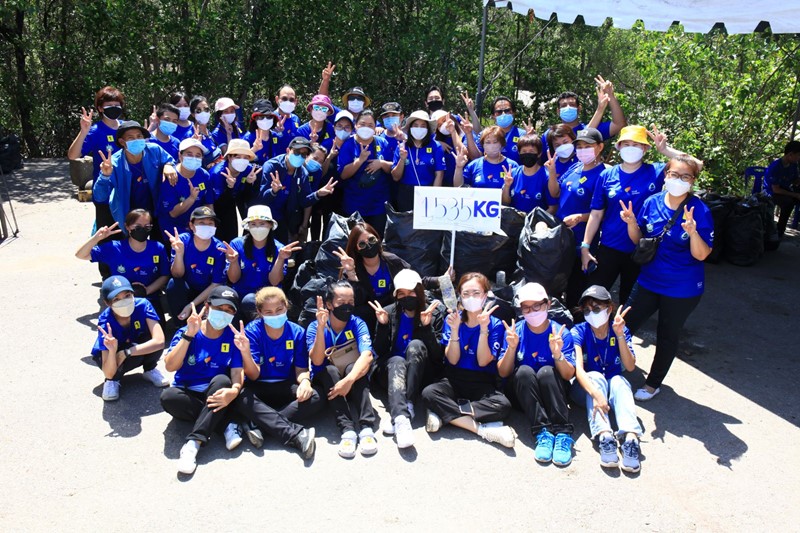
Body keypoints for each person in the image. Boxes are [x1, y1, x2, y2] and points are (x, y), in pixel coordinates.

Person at [620, 155, 713, 401]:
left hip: (682, 288)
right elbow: (639, 241)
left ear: (693, 181)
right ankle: (615, 362)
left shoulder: (700, 211)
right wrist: (631, 223)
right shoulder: (652, 202)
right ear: (666, 175)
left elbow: (702, 254)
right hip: (649, 280)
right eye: (674, 174)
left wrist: (693, 232)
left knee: (667, 335)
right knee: (624, 324)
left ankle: (653, 384)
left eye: (685, 176)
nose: (678, 180)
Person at [580, 125, 702, 306]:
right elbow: (596, 213)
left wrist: (665, 150)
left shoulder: (656, 171)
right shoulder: (606, 175)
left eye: (636, 144)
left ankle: (622, 325)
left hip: (642, 249)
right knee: (593, 298)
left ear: (645, 148)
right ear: (619, 147)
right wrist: (585, 246)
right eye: (626, 144)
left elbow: (696, 165)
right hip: (609, 247)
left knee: (629, 303)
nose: (631, 148)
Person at [420, 273, 515, 448]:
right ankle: (481, 429)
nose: (471, 298)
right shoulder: (452, 320)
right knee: (429, 393)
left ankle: (445, 414)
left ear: (485, 295)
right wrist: (455, 330)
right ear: (460, 296)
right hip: (454, 378)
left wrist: (484, 329)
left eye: (476, 293)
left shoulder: (495, 324)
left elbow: (483, 361)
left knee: (503, 405)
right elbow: (453, 360)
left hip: (482, 381)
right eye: (466, 294)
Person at [161, 286, 247, 475]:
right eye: (219, 308)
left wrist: (235, 389)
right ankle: (224, 423)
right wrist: (189, 336)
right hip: (187, 391)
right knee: (168, 397)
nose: (223, 313)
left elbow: (236, 371)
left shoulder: (233, 337)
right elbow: (170, 366)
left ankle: (193, 444)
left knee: (222, 380)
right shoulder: (187, 331)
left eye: (229, 310)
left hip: (215, 389)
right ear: (207, 307)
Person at [234, 287, 321, 458]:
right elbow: (253, 375)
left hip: (285, 385)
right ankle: (295, 435)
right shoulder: (252, 331)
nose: (275, 315)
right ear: (260, 312)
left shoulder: (297, 332)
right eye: (268, 312)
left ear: (286, 307)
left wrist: (305, 382)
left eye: (279, 309)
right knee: (240, 396)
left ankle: (259, 424)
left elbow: (301, 370)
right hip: (258, 386)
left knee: (317, 396)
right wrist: (245, 352)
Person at [498, 282, 576, 465]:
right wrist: (511, 348)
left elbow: (568, 375)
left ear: (547, 304)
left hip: (552, 393)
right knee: (524, 371)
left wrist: (558, 354)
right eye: (526, 308)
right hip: (524, 395)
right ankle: (542, 432)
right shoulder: (515, 332)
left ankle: (562, 432)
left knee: (546, 371)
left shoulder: (561, 333)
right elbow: (503, 372)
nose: (531, 312)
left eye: (536, 306)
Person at [570, 285, 642, 472]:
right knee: (595, 376)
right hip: (587, 390)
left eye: (596, 308)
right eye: (587, 310)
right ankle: (605, 436)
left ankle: (631, 438)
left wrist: (620, 335)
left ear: (609, 309)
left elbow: (630, 366)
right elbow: (578, 370)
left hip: (611, 390)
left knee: (619, 381)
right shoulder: (579, 331)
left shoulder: (619, 329)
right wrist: (596, 394)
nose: (591, 313)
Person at [370, 269, 445, 449]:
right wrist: (383, 325)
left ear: (419, 291)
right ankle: (402, 418)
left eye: (411, 292)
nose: (406, 297)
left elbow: (437, 356)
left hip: (420, 373)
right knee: (397, 360)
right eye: (401, 294)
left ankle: (405, 406)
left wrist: (426, 328)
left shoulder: (433, 313)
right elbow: (379, 351)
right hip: (391, 372)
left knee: (416, 345)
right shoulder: (388, 312)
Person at [307, 280, 378, 458]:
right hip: (328, 382)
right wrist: (321, 328)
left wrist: (348, 380)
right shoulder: (314, 327)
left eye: (350, 302)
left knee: (357, 367)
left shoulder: (357, 323)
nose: (347, 306)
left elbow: (367, 355)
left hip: (349, 378)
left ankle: (366, 428)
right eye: (341, 302)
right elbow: (317, 360)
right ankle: (347, 430)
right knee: (329, 371)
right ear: (329, 304)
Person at [547, 127, 607, 309]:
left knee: (576, 288)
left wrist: (580, 217)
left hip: (582, 240)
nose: (582, 150)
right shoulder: (575, 167)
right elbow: (555, 193)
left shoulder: (603, 175)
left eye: (587, 146)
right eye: (579, 146)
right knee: (557, 284)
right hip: (561, 237)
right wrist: (552, 172)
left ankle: (577, 321)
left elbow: (602, 212)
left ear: (600, 147)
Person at [75, 209, 169, 314]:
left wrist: (146, 290)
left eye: (147, 227)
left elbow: (165, 275)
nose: (142, 230)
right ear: (127, 227)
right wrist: (96, 238)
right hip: (121, 302)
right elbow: (81, 255)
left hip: (149, 300)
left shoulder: (158, 248)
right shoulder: (114, 248)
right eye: (138, 227)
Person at [333, 222, 421, 334]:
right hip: (366, 316)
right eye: (362, 244)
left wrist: (438, 281)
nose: (369, 245)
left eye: (371, 240)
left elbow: (414, 279)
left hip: (392, 311)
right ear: (356, 248)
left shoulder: (392, 261)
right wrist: (351, 273)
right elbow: (353, 301)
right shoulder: (351, 268)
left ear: (378, 239)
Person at [92, 120, 177, 235]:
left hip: (155, 208)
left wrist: (169, 165)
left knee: (158, 241)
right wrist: (105, 176)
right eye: (131, 138)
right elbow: (100, 196)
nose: (136, 140)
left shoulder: (154, 150)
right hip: (127, 212)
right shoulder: (114, 163)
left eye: (139, 136)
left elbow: (169, 160)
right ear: (122, 142)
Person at [92, 275, 168, 401]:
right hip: (110, 353)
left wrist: (127, 352)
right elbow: (108, 371)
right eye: (116, 299)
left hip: (131, 347)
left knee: (150, 339)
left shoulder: (143, 305)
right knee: (112, 372)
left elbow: (159, 341)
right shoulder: (105, 321)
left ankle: (150, 369)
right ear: (107, 303)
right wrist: (112, 351)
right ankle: (112, 382)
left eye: (127, 296)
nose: (124, 302)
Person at [249, 136, 336, 244]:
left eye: (304, 154)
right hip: (266, 219)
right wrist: (273, 191)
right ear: (288, 150)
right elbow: (262, 199)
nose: (300, 156)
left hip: (285, 219)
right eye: (297, 152)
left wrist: (318, 194)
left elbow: (304, 201)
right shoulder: (272, 166)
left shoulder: (302, 172)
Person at [226, 205, 301, 319]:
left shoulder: (279, 249)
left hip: (268, 298)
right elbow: (233, 279)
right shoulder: (236, 244)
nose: (257, 228)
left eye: (262, 224)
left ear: (270, 225)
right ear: (248, 226)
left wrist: (281, 258)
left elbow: (274, 281)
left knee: (250, 300)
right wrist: (234, 261)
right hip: (240, 295)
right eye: (253, 224)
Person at [164, 206, 227, 323]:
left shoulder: (219, 249)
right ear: (191, 225)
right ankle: (179, 324)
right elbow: (177, 274)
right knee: (174, 284)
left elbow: (216, 284)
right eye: (201, 223)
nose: (206, 226)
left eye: (210, 223)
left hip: (207, 293)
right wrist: (179, 253)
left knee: (203, 318)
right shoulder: (182, 241)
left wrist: (191, 305)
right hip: (186, 289)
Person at [337, 109, 392, 235]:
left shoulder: (382, 142)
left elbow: (393, 170)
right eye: (362, 124)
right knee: (355, 240)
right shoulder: (348, 144)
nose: (366, 128)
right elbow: (343, 175)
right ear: (356, 125)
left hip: (378, 204)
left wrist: (381, 163)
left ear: (375, 127)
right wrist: (360, 160)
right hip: (354, 204)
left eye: (370, 125)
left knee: (377, 239)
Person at [541, 75, 627, 154]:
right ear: (558, 111)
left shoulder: (594, 130)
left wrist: (610, 95)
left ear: (579, 109)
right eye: (564, 105)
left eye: (572, 104)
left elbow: (619, 124)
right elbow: (539, 160)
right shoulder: (549, 134)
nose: (568, 108)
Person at [391, 110, 446, 210]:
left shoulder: (436, 146)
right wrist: (402, 160)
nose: (419, 128)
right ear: (410, 128)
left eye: (423, 126)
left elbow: (439, 174)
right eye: (415, 125)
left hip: (428, 191)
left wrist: (433, 196)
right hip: (406, 194)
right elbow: (395, 177)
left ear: (427, 128)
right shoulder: (402, 146)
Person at [208, 138, 260, 243]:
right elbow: (219, 204)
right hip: (218, 206)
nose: (242, 160)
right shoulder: (218, 173)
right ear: (229, 157)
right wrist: (229, 188)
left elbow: (248, 197)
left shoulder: (249, 170)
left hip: (237, 199)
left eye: (246, 157)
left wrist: (249, 184)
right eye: (238, 157)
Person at [158, 138, 213, 235]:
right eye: (189, 154)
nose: (194, 158)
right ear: (180, 155)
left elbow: (208, 203)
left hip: (195, 229)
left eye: (198, 155)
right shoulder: (170, 176)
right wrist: (191, 198)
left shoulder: (204, 176)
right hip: (173, 230)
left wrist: (208, 226)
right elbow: (173, 213)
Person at [501, 134, 557, 213]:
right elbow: (505, 203)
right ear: (519, 153)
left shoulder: (546, 176)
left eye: (531, 151)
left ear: (539, 153)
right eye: (524, 151)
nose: (527, 154)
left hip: (537, 220)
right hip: (514, 220)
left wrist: (533, 219)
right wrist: (507, 186)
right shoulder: (513, 173)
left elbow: (553, 208)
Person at [454, 125, 519, 189]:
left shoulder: (512, 166)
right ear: (483, 145)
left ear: (502, 144)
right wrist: (459, 167)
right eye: (488, 142)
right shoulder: (474, 165)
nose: (492, 145)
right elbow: (458, 187)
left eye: (495, 142)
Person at [764, 140, 800, 237]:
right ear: (790, 154)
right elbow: (776, 189)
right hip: (771, 193)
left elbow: (795, 181)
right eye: (798, 155)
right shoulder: (776, 167)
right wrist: (795, 195)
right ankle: (780, 230)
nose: (799, 158)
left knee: (793, 200)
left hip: (785, 189)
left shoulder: (793, 165)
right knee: (788, 203)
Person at [488, 96, 526, 164]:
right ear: (493, 115)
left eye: (507, 111)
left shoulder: (524, 135)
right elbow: (476, 156)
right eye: (499, 112)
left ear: (514, 113)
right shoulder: (486, 135)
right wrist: (469, 134)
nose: (503, 114)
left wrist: (532, 140)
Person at [242, 99, 280, 164]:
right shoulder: (248, 138)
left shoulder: (276, 137)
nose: (265, 119)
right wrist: (254, 149)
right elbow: (240, 162)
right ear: (255, 119)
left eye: (269, 116)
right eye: (261, 117)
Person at [188, 95, 221, 167]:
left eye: (206, 110)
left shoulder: (209, 133)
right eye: (199, 110)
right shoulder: (190, 135)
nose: (203, 113)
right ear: (193, 114)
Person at [273, 85, 302, 155]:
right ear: (277, 99)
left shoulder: (296, 119)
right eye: (284, 99)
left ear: (296, 102)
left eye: (291, 100)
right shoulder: (269, 118)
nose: (288, 102)